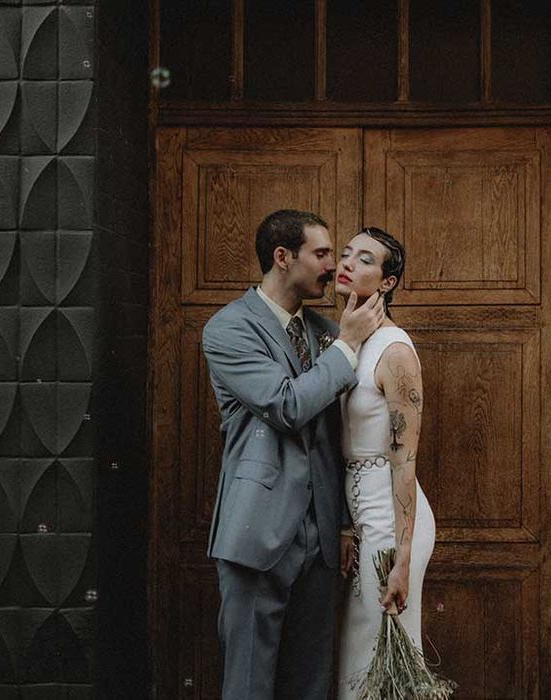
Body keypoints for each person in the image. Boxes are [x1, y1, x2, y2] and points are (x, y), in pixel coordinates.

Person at [202, 210, 386, 699]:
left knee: (310, 683)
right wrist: (347, 344)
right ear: (283, 257)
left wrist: (342, 524)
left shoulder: (325, 329)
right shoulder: (228, 330)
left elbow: (337, 437)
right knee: (248, 684)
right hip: (257, 533)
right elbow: (286, 406)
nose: (333, 265)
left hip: (321, 542)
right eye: (323, 254)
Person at [334, 227, 436, 698]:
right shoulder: (347, 342)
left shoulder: (394, 351)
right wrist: (345, 526)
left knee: (381, 650)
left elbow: (405, 460)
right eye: (346, 253)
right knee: (359, 649)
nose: (349, 263)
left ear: (387, 283)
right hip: (361, 513)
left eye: (366, 259)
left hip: (392, 516)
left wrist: (402, 557)